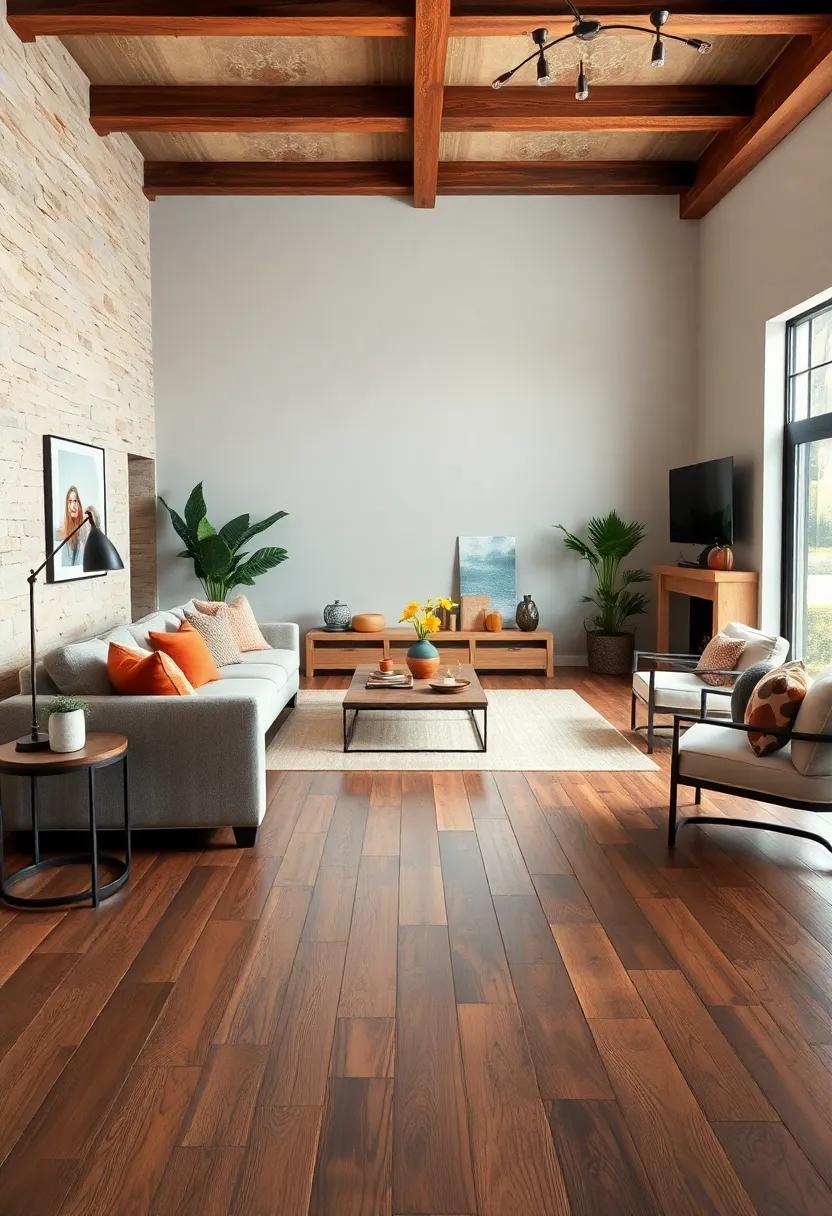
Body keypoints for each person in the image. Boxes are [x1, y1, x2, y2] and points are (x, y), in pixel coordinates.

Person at [57, 485, 89, 567]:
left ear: (79, 503)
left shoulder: (85, 525)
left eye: (75, 501)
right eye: (70, 501)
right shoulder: (64, 528)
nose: (72, 506)